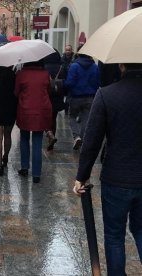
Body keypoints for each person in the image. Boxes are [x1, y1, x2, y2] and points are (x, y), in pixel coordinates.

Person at [73, 63, 142, 276]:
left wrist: (81, 176)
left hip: (117, 175)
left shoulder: (107, 94)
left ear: (121, 65)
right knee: (141, 230)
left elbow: (92, 140)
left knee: (114, 235)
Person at [15, 61, 52, 183]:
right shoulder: (45, 74)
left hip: (25, 110)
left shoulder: (21, 74)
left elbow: (16, 92)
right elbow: (49, 90)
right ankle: (36, 174)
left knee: (24, 139)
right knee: (37, 142)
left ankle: (24, 167)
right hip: (41, 110)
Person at [63, 49, 100, 150]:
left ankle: (76, 136)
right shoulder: (95, 67)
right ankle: (82, 140)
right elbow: (98, 82)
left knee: (72, 117)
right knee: (86, 119)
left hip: (76, 97)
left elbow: (69, 82)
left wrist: (64, 85)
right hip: (90, 97)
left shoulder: (74, 66)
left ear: (78, 54)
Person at [43, 51, 66, 151]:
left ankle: (49, 133)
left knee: (44, 117)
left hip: (46, 96)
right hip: (57, 96)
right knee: (53, 118)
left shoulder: (44, 68)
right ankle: (51, 137)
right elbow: (65, 82)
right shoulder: (61, 68)